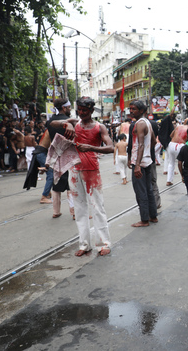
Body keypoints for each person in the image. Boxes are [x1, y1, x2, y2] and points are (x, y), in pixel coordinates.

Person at [52, 97, 114, 256]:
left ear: (92, 111)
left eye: (85, 111)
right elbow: (51, 124)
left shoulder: (100, 127)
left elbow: (110, 148)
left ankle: (103, 243)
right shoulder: (74, 122)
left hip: (91, 170)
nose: (81, 113)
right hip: (74, 169)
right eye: (79, 110)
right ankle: (84, 244)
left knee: (97, 207)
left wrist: (92, 147)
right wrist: (66, 124)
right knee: (79, 208)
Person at [127, 100, 158, 227]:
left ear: (141, 111)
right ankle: (153, 216)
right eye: (130, 109)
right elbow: (153, 142)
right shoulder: (147, 123)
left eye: (133, 109)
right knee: (149, 189)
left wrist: (137, 164)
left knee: (141, 191)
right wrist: (146, 154)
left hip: (139, 162)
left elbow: (140, 144)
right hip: (147, 160)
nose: (131, 111)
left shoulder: (139, 124)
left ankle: (144, 220)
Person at [165, 119, 188, 186]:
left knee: (171, 163)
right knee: (185, 163)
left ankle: (168, 181)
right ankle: (185, 179)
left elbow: (171, 135)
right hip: (181, 145)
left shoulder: (178, 127)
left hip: (172, 144)